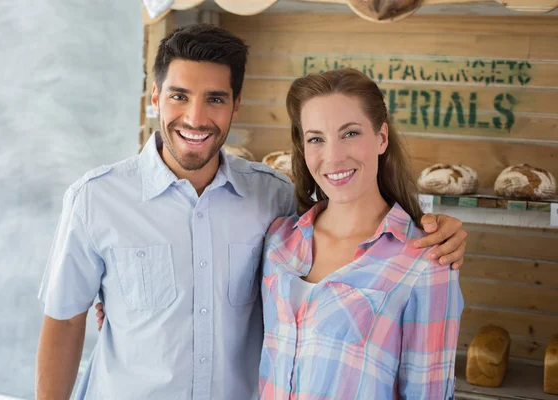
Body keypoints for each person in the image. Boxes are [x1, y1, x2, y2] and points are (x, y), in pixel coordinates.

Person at [37, 24, 467, 400]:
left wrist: (434, 227)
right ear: (155, 97)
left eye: (215, 99)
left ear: (236, 105)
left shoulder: (274, 200)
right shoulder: (96, 199)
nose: (195, 116)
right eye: (179, 96)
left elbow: (353, 213)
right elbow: (64, 321)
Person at [258, 68, 463, 399]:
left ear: (381, 138)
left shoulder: (427, 261)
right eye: (316, 139)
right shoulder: (278, 241)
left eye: (350, 133)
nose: (333, 156)